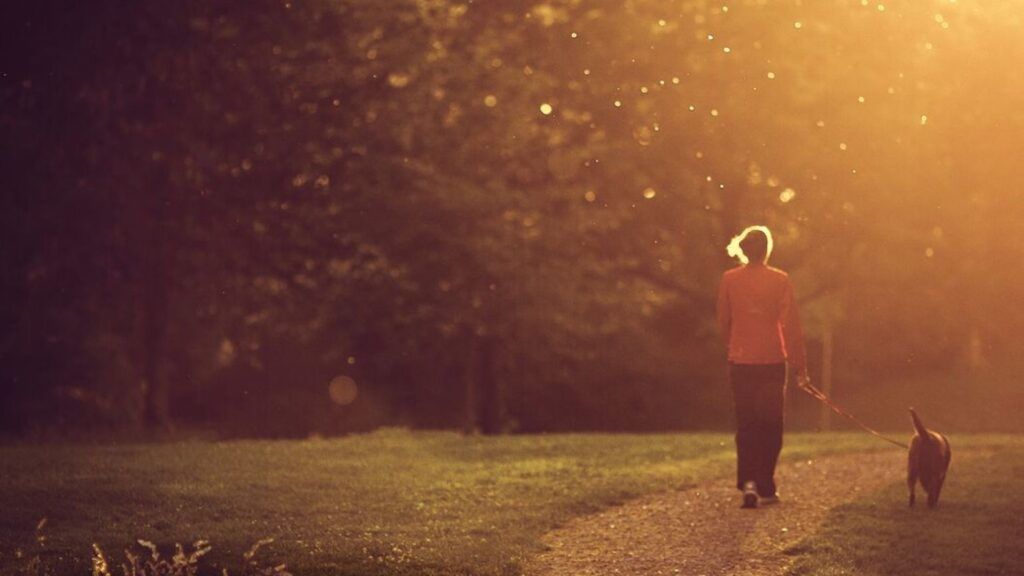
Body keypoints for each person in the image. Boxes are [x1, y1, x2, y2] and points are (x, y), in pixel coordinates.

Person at [716, 225, 808, 509]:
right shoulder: (780, 280)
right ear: (767, 250)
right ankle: (765, 483)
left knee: (746, 425)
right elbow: (790, 325)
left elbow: (723, 321)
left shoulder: (729, 279)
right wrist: (799, 366)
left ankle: (749, 483)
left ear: (744, 250)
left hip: (741, 361)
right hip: (771, 361)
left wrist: (734, 345)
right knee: (771, 425)